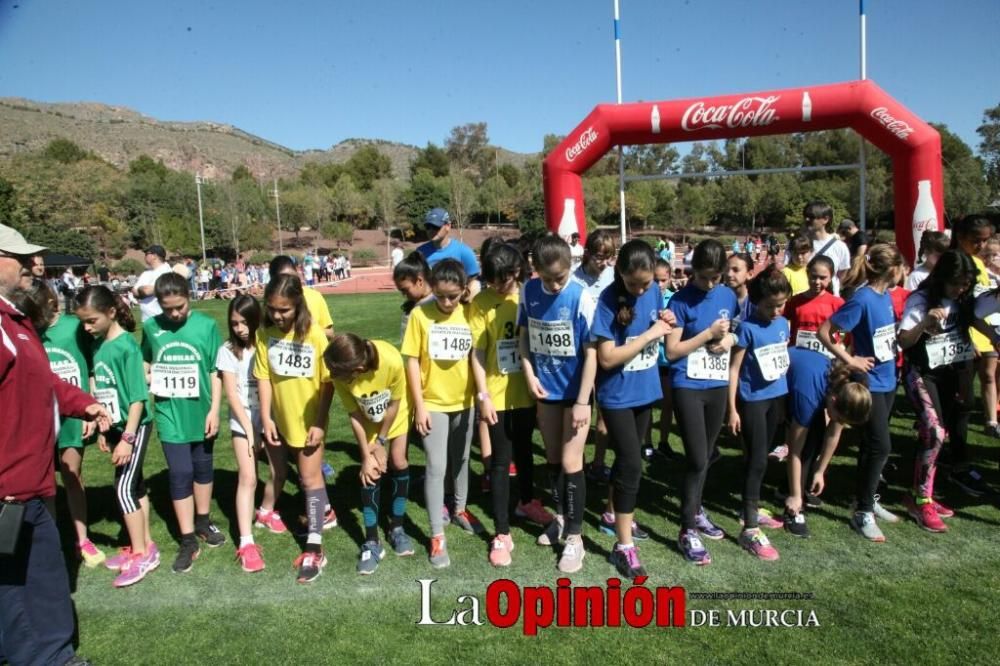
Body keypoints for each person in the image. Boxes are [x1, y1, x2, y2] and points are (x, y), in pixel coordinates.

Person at [0, 223, 110, 666]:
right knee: (20, 585)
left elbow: (40, 384)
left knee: (41, 576)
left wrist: (84, 404)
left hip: (32, 481)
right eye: (20, 257)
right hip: (11, 489)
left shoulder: (15, 321)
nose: (31, 265)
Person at [592, 240, 673, 579]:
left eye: (647, 282)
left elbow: (655, 324)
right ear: (620, 274)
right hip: (616, 395)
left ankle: (612, 514)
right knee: (631, 464)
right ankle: (624, 547)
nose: (642, 289)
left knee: (631, 457)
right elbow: (606, 358)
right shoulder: (608, 302)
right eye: (634, 283)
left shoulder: (652, 291)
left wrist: (664, 318)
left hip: (645, 390)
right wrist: (650, 334)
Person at [470, 242, 552, 568]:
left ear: (515, 272)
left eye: (501, 280)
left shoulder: (530, 294)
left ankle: (527, 502)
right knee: (502, 462)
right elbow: (476, 353)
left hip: (529, 390)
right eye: (490, 281)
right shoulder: (480, 303)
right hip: (497, 394)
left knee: (526, 451)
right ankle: (502, 532)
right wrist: (482, 395)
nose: (495, 287)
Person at [519, 235, 597, 574]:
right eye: (547, 278)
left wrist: (583, 400)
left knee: (570, 460)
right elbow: (524, 338)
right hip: (546, 390)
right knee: (552, 459)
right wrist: (529, 374)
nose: (553, 284)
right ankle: (562, 519)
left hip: (576, 393)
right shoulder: (529, 291)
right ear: (536, 270)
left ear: (570, 268)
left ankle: (576, 539)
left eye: (560, 278)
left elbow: (592, 352)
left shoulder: (581, 296)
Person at [818, 244, 904, 542]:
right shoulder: (863, 298)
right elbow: (825, 331)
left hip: (889, 380)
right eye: (900, 267)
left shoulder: (885, 296)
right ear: (892, 269)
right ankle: (862, 513)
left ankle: (867, 498)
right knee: (881, 445)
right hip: (871, 384)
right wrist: (850, 359)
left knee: (871, 446)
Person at [75, 285, 158, 588]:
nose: (86, 327)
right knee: (133, 486)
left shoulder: (126, 347)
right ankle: (146, 545)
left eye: (91, 321)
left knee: (123, 489)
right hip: (117, 428)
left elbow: (137, 399)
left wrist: (127, 438)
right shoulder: (99, 345)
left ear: (110, 313)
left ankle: (141, 554)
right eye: (83, 322)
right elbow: (107, 392)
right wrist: (104, 429)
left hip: (134, 427)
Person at [255, 274, 336, 584]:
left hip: (308, 423)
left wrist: (318, 422)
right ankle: (320, 518)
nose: (278, 315)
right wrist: (266, 416)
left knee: (309, 479)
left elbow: (327, 384)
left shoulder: (315, 335)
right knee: (286, 475)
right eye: (273, 308)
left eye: (285, 309)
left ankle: (315, 548)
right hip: (279, 420)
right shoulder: (265, 335)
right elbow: (263, 377)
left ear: (298, 305)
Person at [141, 273, 224, 572]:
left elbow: (216, 370)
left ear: (190, 298)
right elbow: (145, 359)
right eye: (168, 309)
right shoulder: (151, 327)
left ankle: (203, 521)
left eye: (180, 307)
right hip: (169, 413)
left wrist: (214, 410)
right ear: (159, 304)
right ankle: (188, 539)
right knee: (180, 472)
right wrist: (146, 374)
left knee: (202, 468)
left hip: (201, 412)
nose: (175, 314)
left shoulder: (207, 326)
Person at [402, 259, 480, 568]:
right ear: (432, 289)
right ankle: (436, 535)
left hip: (465, 401)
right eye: (441, 295)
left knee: (461, 459)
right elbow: (410, 360)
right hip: (433, 403)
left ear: (463, 290)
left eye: (453, 296)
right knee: (436, 466)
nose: (447, 302)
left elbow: (477, 354)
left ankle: (459, 509)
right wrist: (419, 405)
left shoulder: (469, 311)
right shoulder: (420, 314)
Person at [21, 282, 105, 567]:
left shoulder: (73, 327)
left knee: (72, 474)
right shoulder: (26, 331)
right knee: (43, 482)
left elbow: (93, 363)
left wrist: (90, 401)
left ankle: (82, 538)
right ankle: (51, 539)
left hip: (72, 415)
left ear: (51, 304)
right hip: (41, 415)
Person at [665, 239, 737, 565]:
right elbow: (672, 351)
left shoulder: (728, 296)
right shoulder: (680, 301)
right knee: (696, 456)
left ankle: (696, 509)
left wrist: (730, 338)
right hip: (687, 383)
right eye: (704, 277)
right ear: (693, 271)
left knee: (706, 455)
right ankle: (686, 529)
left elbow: (735, 329)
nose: (709, 284)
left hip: (717, 383)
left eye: (715, 277)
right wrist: (708, 334)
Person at [897, 250, 977, 532]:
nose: (960, 289)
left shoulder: (963, 300)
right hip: (921, 373)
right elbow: (904, 340)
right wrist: (924, 323)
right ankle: (921, 500)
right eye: (956, 283)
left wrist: (991, 337)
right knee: (934, 431)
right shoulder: (921, 300)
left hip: (950, 375)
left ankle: (922, 492)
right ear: (942, 278)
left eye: (965, 283)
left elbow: (975, 320)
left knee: (941, 433)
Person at [326, 333, 415, 575]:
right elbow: (354, 415)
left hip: (393, 416)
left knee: (398, 461)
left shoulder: (391, 360)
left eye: (339, 374)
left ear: (359, 368)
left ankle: (396, 528)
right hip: (366, 420)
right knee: (371, 471)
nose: (333, 377)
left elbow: (395, 404)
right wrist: (366, 455)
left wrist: (382, 440)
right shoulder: (338, 372)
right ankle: (372, 541)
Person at [727, 266, 792, 561]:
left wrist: (783, 404)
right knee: (755, 461)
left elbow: (780, 364)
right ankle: (750, 529)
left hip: (774, 401)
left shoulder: (783, 325)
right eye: (770, 306)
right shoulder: (747, 328)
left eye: (781, 304)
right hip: (751, 402)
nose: (776, 310)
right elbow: (735, 369)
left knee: (763, 458)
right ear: (756, 302)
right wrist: (732, 409)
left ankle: (750, 508)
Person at [782, 348, 872, 537]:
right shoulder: (808, 397)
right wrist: (795, 495)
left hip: (810, 380)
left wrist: (821, 470)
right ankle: (793, 505)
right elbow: (794, 451)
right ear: (833, 401)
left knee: (815, 438)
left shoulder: (850, 387)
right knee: (806, 446)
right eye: (840, 418)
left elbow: (834, 430)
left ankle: (798, 488)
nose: (841, 424)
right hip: (780, 381)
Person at [216, 295, 272, 572]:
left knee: (279, 471)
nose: (239, 328)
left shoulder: (267, 342)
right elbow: (231, 395)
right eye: (234, 323)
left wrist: (268, 422)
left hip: (271, 420)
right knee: (248, 477)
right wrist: (251, 431)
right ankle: (246, 542)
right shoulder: (228, 350)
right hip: (243, 423)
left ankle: (266, 511)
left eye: (244, 322)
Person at [950, 215, 996, 496]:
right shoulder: (956, 263)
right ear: (961, 237)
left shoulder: (979, 263)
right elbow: (957, 308)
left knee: (964, 405)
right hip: (959, 344)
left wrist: (992, 336)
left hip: (977, 338)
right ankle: (956, 464)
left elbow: (976, 308)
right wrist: (968, 337)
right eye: (975, 240)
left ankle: (957, 460)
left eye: (985, 240)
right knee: (959, 404)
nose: (980, 245)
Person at [569, 230, 616, 483]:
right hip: (581, 354)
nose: (605, 263)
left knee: (605, 413)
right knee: (580, 409)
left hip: (607, 351)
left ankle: (598, 463)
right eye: (600, 257)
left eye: (609, 257)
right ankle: (578, 463)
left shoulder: (612, 275)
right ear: (587, 254)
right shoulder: (573, 279)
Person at [416, 207, 481, 297]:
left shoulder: (464, 252)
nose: (431, 230)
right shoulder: (420, 252)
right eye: (428, 227)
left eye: (435, 227)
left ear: (448, 226)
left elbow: (473, 280)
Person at [269, 255, 335, 341]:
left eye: (292, 276)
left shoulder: (315, 296)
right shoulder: (270, 303)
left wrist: (310, 328)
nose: (290, 282)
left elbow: (331, 334)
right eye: (284, 279)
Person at [801, 202, 852, 296]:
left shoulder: (840, 246)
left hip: (829, 301)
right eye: (805, 216)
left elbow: (842, 275)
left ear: (825, 219)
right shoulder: (798, 244)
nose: (807, 219)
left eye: (812, 217)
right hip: (803, 299)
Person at [132, 244, 172, 322]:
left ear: (154, 256)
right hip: (146, 319)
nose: (145, 256)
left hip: (161, 317)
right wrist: (143, 291)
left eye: (147, 254)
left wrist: (141, 291)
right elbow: (134, 291)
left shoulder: (166, 271)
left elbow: (148, 291)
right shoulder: (146, 273)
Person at [727, 252, 754, 327]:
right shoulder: (719, 298)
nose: (729, 274)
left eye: (735, 270)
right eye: (727, 269)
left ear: (750, 274)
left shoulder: (755, 304)